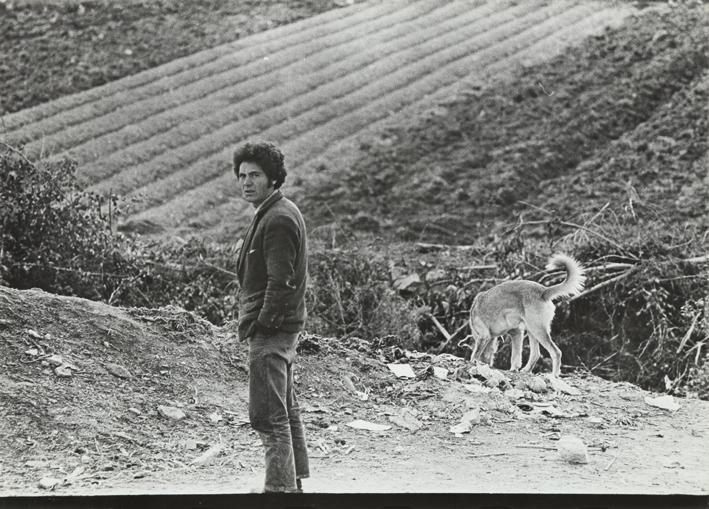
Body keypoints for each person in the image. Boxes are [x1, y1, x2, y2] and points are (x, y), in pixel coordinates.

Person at [233, 141, 310, 493]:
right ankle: (292, 484)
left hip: (273, 331)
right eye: (242, 175)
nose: (246, 182)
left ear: (273, 178)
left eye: (255, 175)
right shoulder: (275, 210)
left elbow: (282, 282)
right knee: (284, 410)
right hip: (283, 327)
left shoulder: (277, 218)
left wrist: (262, 325)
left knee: (268, 416)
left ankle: (279, 491)